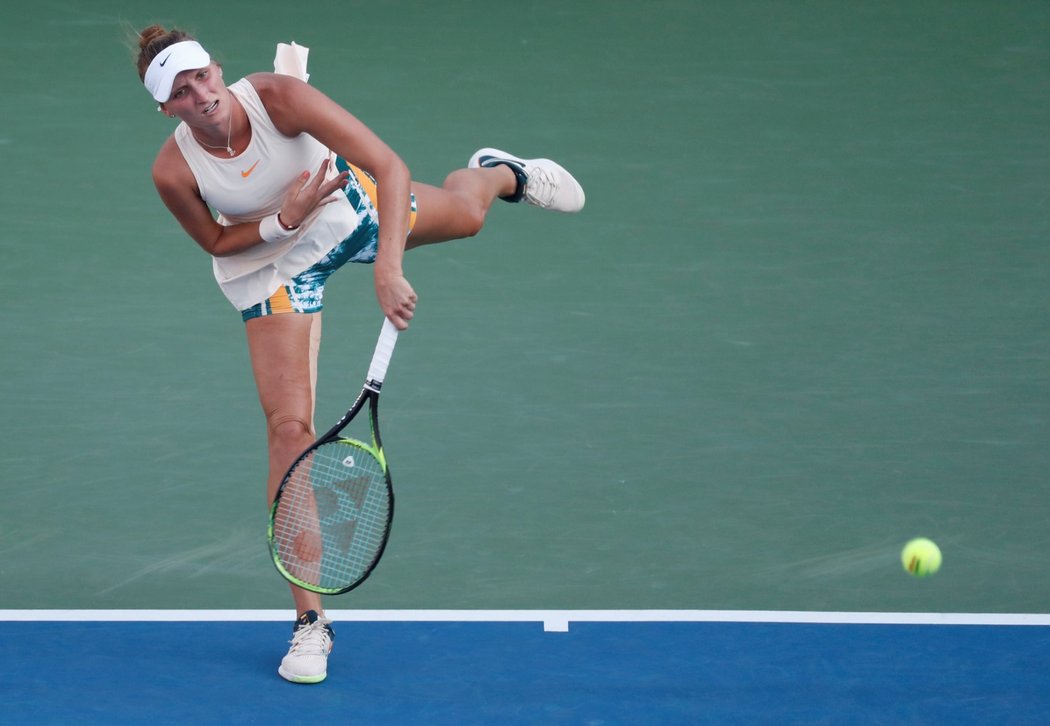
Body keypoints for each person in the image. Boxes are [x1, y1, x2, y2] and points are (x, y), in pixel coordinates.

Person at [134, 25, 584, 684]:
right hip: (276, 271)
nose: (200, 93)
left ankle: (502, 174)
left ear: (217, 68)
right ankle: (311, 624)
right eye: (181, 90)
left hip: (348, 214)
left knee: (467, 212)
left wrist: (388, 268)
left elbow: (390, 166)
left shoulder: (280, 98)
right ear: (166, 107)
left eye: (202, 75)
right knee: (289, 434)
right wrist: (279, 223)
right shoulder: (172, 170)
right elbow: (215, 240)